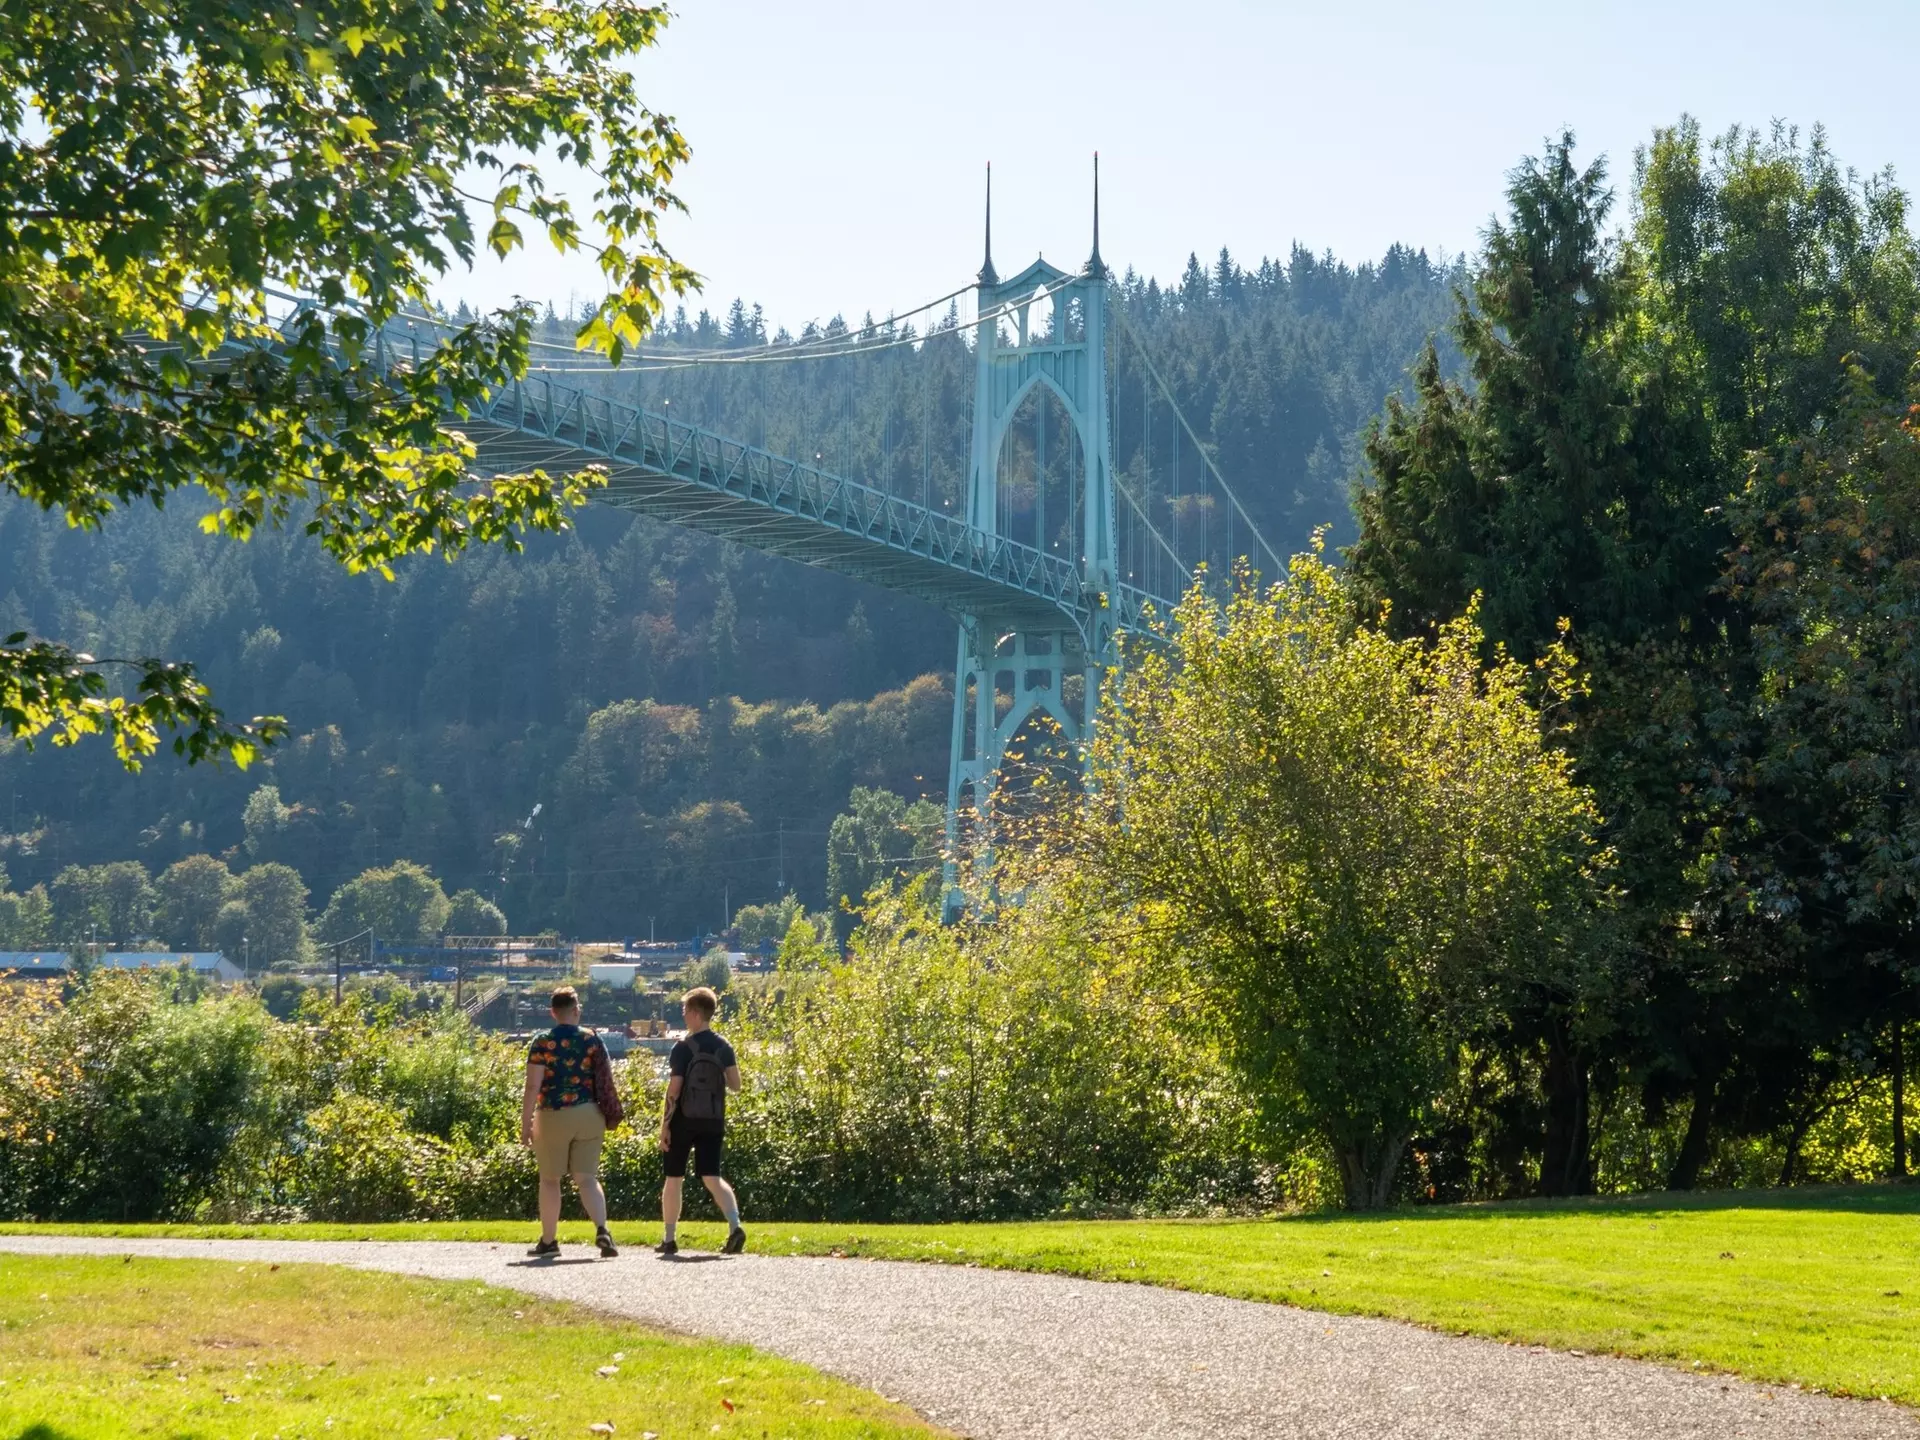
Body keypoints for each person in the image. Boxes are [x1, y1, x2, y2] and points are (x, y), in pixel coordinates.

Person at [521, 986, 619, 1259]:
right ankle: (602, 1230)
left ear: (552, 1012)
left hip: (553, 1113)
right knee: (586, 1178)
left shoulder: (542, 1042)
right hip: (589, 1114)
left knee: (550, 1179)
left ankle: (549, 1241)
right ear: (577, 1010)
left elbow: (532, 1087)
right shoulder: (592, 1040)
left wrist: (525, 1122)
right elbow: (605, 1079)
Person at [658, 985, 746, 1256]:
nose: (683, 1015)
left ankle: (670, 1238)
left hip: (683, 1120)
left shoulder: (683, 1048)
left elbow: (674, 1089)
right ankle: (735, 1226)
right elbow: (736, 1085)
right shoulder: (723, 1046)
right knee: (712, 1176)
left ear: (696, 1013)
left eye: (685, 1010)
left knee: (674, 1178)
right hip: (713, 1120)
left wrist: (665, 1125)